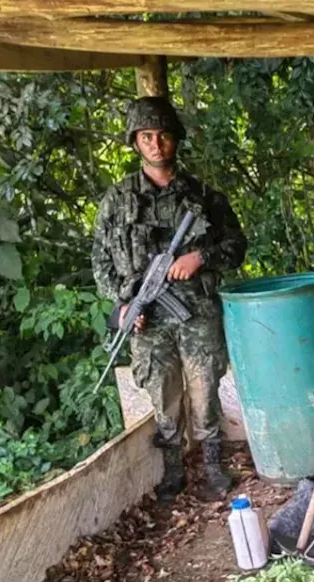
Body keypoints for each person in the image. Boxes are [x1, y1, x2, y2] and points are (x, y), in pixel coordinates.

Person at [92, 96, 247, 500]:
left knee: (204, 387)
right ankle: (174, 471)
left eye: (162, 135)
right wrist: (123, 306)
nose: (155, 144)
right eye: (146, 136)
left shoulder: (203, 195)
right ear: (135, 142)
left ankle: (213, 468)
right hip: (148, 318)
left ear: (175, 139)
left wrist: (200, 256)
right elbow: (100, 262)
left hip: (195, 310)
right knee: (162, 392)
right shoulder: (117, 200)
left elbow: (237, 245)